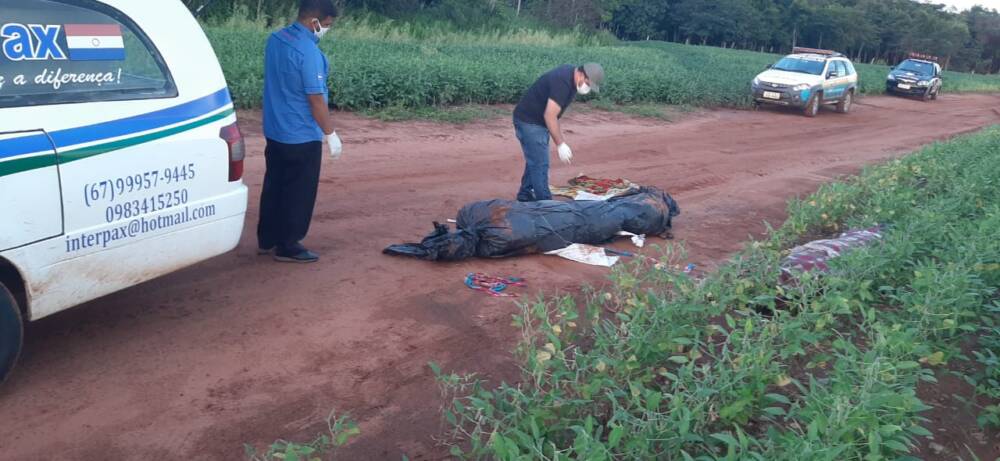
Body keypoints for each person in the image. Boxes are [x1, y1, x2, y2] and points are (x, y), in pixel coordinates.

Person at [258, 0, 342, 263]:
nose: (326, 30)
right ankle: (288, 245)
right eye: (326, 25)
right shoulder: (308, 52)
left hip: (275, 129)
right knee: (299, 192)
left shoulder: (276, 39)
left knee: (274, 184)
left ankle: (267, 238)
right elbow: (315, 98)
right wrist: (330, 133)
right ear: (314, 21)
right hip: (301, 134)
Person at [512, 63, 604, 202]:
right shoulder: (562, 82)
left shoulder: (571, 79)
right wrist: (560, 144)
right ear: (581, 74)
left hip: (536, 121)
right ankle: (546, 204)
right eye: (587, 83)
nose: (587, 87)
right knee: (540, 164)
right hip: (529, 122)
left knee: (535, 159)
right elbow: (550, 115)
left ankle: (524, 194)